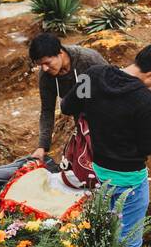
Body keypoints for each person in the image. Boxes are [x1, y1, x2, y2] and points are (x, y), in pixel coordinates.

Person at [60, 45, 151, 247]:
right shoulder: (144, 99)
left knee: (112, 228)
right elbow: (146, 146)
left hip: (98, 171)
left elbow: (67, 105)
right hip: (130, 177)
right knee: (129, 236)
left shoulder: (95, 75)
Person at [28, 32, 109, 161]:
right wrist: (42, 146)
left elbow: (114, 85)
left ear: (60, 52)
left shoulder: (88, 60)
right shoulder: (46, 77)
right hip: (82, 122)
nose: (45, 68)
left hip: (107, 114)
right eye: (40, 65)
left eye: (47, 63)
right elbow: (47, 111)